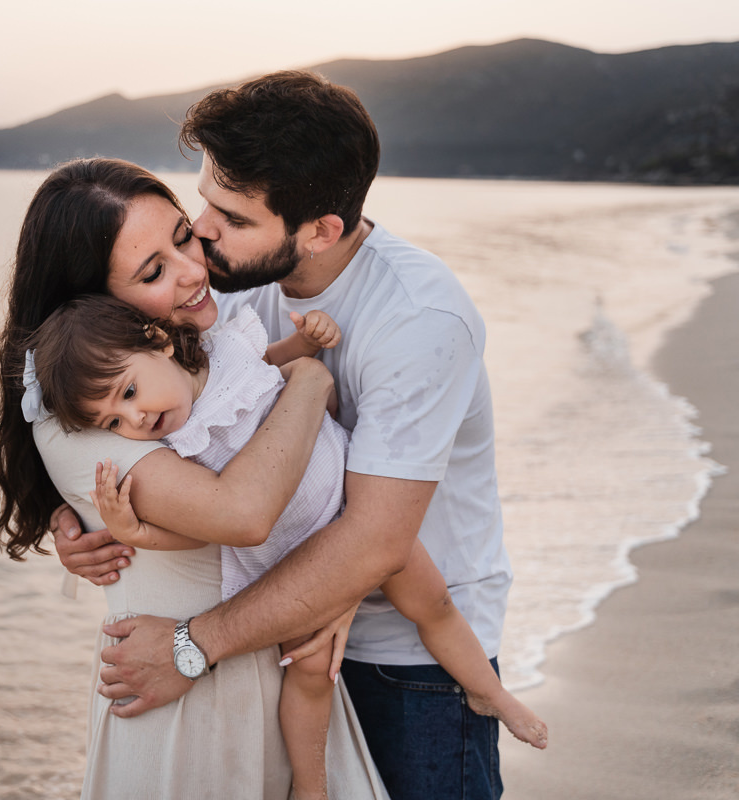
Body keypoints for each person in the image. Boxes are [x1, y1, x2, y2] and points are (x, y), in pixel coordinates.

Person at [53, 71, 519, 799]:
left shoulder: (420, 321)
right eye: (203, 200)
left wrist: (185, 649)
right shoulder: (226, 289)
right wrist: (80, 517)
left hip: (410, 657)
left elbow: (374, 541)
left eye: (232, 218)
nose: (202, 232)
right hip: (277, 634)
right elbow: (137, 404)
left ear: (321, 231)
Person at [0, 158, 388, 799]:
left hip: (276, 662)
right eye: (153, 271)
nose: (195, 270)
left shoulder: (201, 337)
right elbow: (246, 512)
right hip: (185, 695)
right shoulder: (81, 421)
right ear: (91, 300)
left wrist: (342, 579)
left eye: (181, 236)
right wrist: (310, 381)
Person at [30, 295, 547, 799]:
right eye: (114, 424)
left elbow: (279, 365)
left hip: (355, 515)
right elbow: (208, 529)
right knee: (311, 672)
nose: (135, 419)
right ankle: (311, 785)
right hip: (297, 558)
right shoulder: (172, 450)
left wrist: (306, 340)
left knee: (435, 603)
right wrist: (136, 533)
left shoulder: (228, 351)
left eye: (130, 392)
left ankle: (488, 691)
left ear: (160, 342)